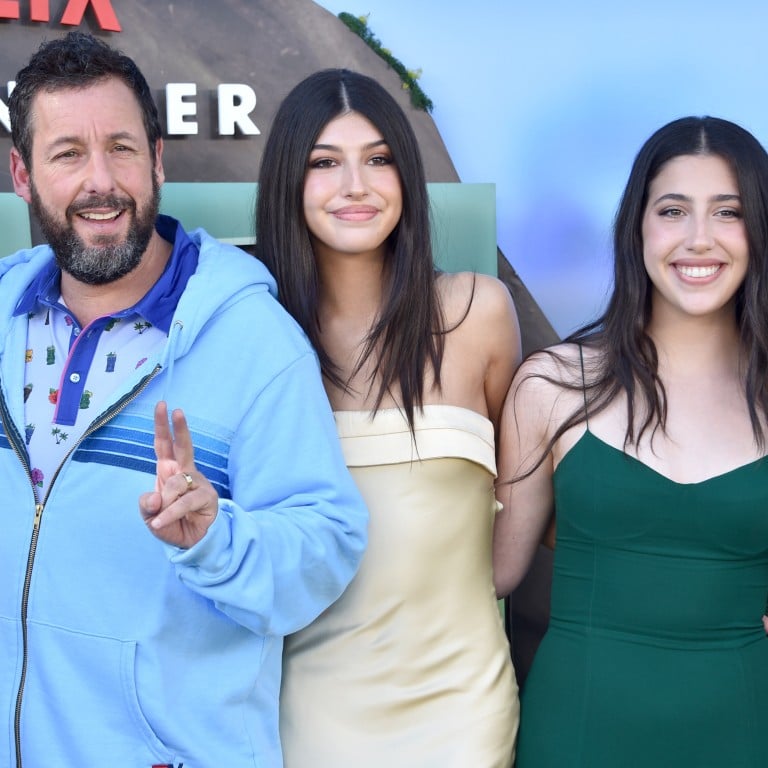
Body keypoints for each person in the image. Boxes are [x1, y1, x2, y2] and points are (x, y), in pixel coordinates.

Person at [1, 32, 368, 768]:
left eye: (123, 149)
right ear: (23, 175)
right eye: (68, 153)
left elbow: (327, 547)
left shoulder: (257, 341)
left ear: (159, 160)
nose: (100, 182)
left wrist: (214, 538)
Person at [255, 69, 521, 767]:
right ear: (289, 180)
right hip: (307, 711)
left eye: (378, 159)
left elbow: (524, 515)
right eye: (324, 163)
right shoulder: (258, 337)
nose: (355, 186)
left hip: (463, 709)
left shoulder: (478, 312)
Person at [493, 116, 768, 767]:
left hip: (743, 734)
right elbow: (491, 575)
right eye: (673, 210)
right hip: (579, 734)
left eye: (728, 212)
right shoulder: (553, 385)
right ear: (637, 226)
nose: (699, 239)